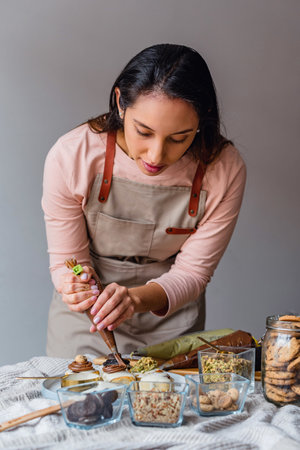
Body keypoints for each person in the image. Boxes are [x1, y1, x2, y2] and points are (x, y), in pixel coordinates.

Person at [42, 43, 246, 358]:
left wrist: (136, 300)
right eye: (143, 132)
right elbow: (68, 260)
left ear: (203, 119)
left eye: (179, 138)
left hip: (172, 321)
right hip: (89, 321)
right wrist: (73, 284)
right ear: (120, 103)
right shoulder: (72, 156)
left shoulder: (224, 169)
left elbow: (193, 273)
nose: (156, 155)